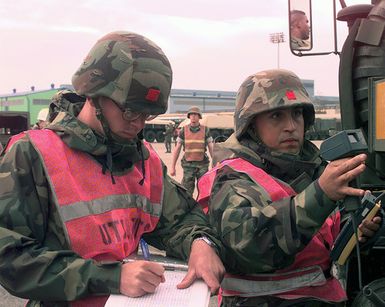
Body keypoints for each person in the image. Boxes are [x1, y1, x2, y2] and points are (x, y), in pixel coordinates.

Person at [0, 31, 225, 306]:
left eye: (147, 114)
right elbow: (10, 256)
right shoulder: (33, 154)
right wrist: (111, 277)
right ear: (94, 94)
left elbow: (180, 219)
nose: (139, 124)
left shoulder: (143, 159)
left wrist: (200, 243)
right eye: (130, 111)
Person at [197, 69, 382, 306]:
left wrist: (357, 232)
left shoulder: (311, 169)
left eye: (297, 114)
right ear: (251, 126)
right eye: (276, 116)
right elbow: (251, 246)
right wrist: (321, 195)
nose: (291, 126)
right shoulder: (233, 177)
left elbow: (326, 236)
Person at [170, 106, 214, 195]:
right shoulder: (183, 130)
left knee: (204, 190)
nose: (193, 116)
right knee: (186, 192)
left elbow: (211, 147)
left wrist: (216, 162)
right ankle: (188, 208)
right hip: (188, 166)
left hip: (202, 165)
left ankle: (203, 208)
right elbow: (177, 148)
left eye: (195, 114)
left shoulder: (206, 130)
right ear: (189, 116)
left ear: (199, 117)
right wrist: (172, 167)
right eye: (191, 114)